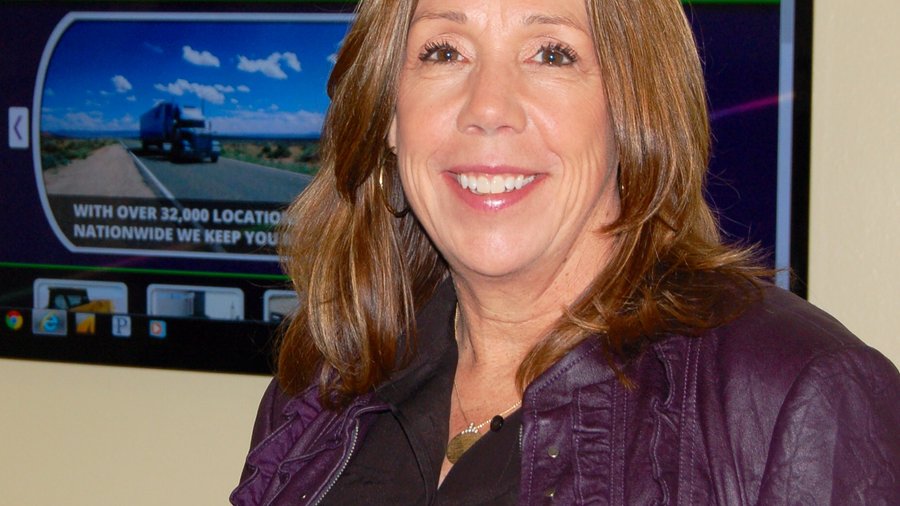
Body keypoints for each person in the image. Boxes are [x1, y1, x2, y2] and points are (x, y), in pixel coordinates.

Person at [231, 0, 900, 504]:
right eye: (444, 51)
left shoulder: (798, 398)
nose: (487, 107)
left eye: (551, 53)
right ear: (389, 116)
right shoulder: (319, 389)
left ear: (633, 107)